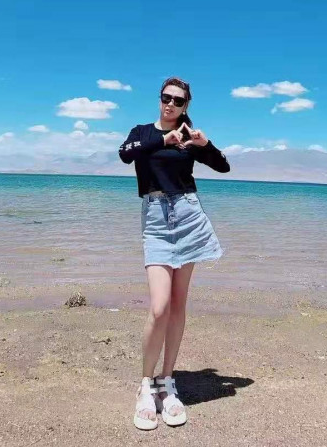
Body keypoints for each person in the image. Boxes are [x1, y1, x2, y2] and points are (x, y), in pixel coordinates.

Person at [118, 76, 230, 430]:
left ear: (186, 106)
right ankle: (145, 385)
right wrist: (163, 139)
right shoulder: (142, 132)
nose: (170, 104)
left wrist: (205, 144)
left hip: (188, 215)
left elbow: (223, 166)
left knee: (179, 305)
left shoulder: (189, 138)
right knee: (159, 307)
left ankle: (167, 382)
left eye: (178, 101)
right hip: (155, 220)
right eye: (166, 97)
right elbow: (125, 153)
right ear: (160, 99)